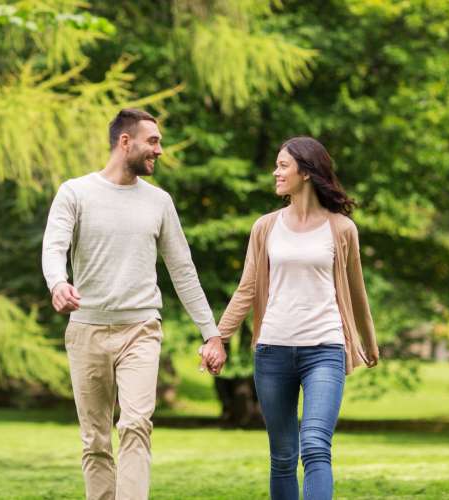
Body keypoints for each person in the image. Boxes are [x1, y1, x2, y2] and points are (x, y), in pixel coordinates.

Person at [42, 108, 226, 500]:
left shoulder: (159, 202)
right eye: (153, 141)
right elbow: (54, 246)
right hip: (87, 329)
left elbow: (183, 270)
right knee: (94, 440)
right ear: (125, 141)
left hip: (140, 329)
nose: (159, 150)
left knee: (137, 423)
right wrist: (58, 282)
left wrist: (212, 333)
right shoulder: (75, 193)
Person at [217, 136, 379, 500]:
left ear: (305, 172)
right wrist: (218, 337)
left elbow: (356, 291)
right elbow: (246, 289)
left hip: (325, 348)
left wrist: (368, 342)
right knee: (283, 457)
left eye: (282, 166)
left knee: (317, 445)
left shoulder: (341, 229)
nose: (275, 173)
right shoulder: (265, 227)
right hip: (273, 351)